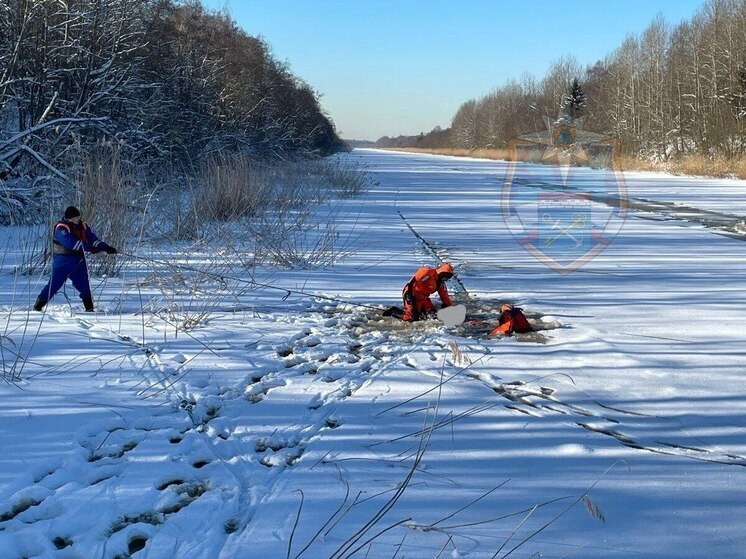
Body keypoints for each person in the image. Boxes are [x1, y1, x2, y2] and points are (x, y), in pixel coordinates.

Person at [33, 206, 117, 312]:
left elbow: (93, 239)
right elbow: (70, 242)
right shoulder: (61, 228)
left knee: (84, 284)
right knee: (54, 285)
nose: (78, 219)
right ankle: (38, 306)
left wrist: (105, 247)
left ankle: (89, 309)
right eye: (76, 217)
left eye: (78, 217)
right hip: (62, 262)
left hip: (78, 261)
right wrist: (89, 248)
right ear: (70, 218)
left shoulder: (83, 226)